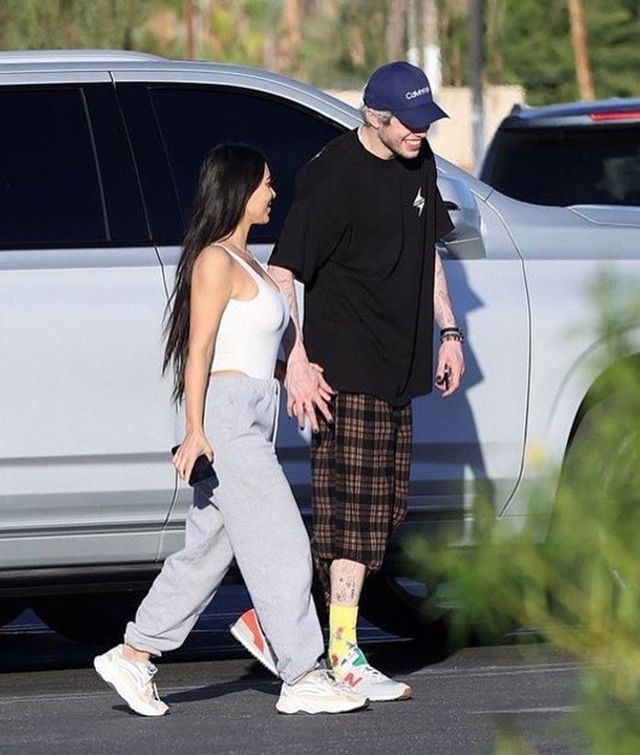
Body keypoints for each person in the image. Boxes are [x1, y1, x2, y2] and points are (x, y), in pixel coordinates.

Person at [93, 144, 368, 717]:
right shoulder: (215, 261)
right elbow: (198, 351)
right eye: (266, 183)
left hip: (255, 413)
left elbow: (255, 344)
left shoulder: (251, 261)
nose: (273, 192)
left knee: (207, 554)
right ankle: (302, 673)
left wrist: (293, 375)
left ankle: (134, 653)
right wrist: (194, 429)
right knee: (284, 545)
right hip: (226, 417)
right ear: (240, 190)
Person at [231, 61, 465, 702]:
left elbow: (430, 250)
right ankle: (341, 653)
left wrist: (449, 331)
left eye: (425, 121)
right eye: (408, 123)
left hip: (399, 370)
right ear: (373, 117)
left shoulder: (419, 162)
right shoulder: (333, 176)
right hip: (345, 371)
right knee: (353, 520)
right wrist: (299, 363)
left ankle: (276, 621)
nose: (419, 132)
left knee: (381, 513)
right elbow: (284, 273)